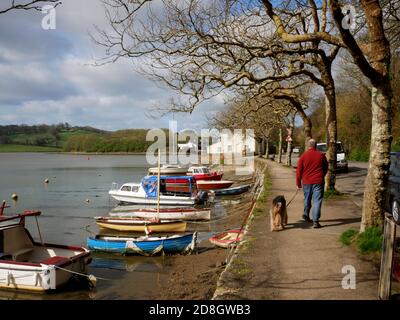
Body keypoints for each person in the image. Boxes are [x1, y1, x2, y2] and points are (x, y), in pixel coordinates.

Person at [296, 139, 328, 229]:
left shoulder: (303, 156)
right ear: (316, 146)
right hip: (318, 181)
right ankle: (315, 221)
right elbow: (326, 167)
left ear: (308, 146)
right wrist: (322, 175)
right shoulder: (321, 155)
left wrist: (298, 183)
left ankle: (306, 213)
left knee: (307, 198)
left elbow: (298, 171)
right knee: (317, 201)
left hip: (306, 182)